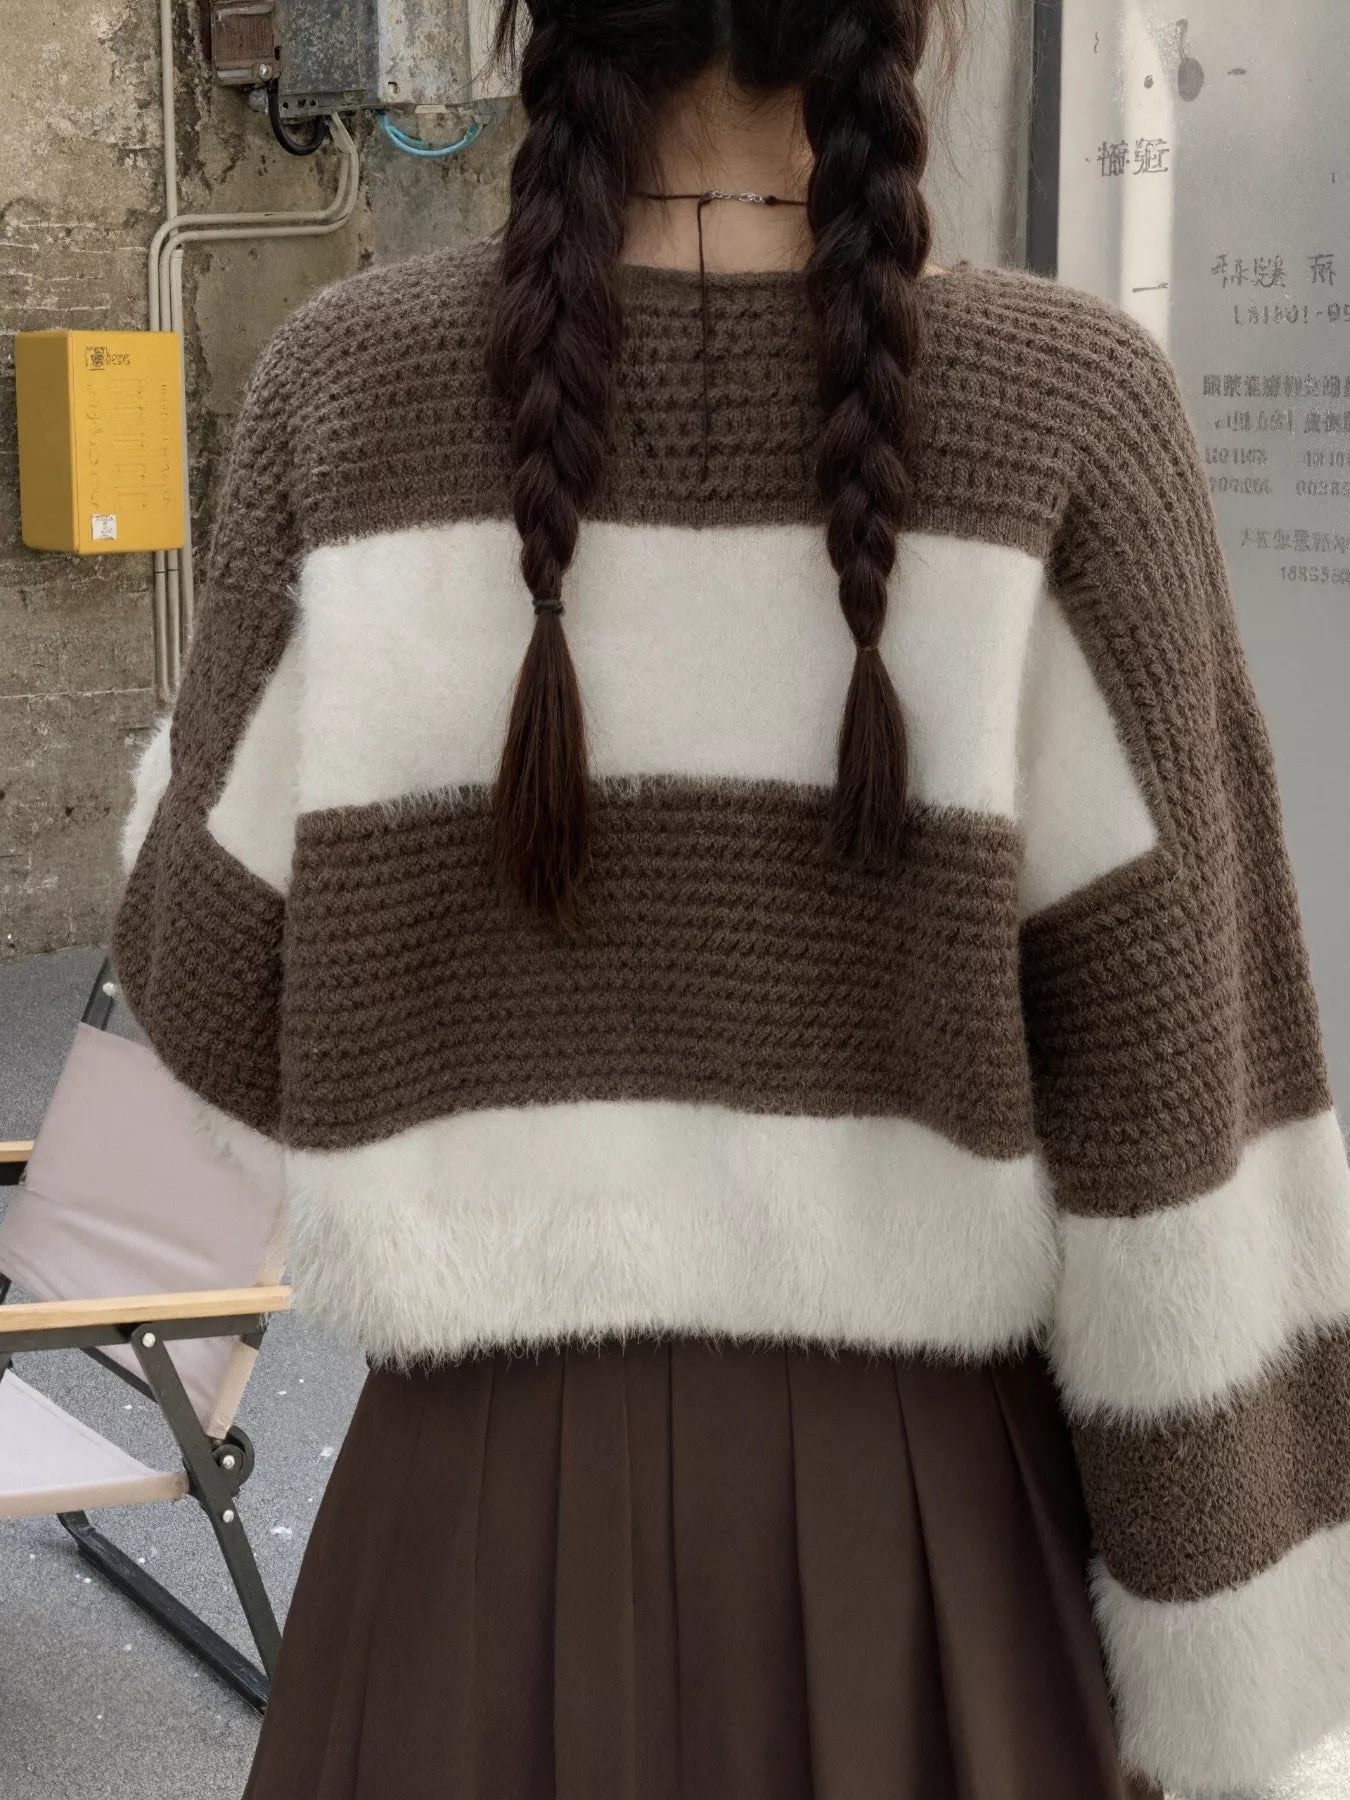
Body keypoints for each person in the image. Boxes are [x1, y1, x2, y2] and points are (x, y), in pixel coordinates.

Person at [112, 1, 1350, 1796]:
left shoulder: (346, 387)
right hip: (932, 1553)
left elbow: (211, 995)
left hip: (465, 1546)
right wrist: (1239, 1692)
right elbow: (1181, 1124)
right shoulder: (1068, 407)